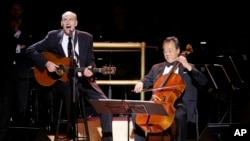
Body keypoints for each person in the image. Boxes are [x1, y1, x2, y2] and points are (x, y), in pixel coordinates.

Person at [25, 11, 113, 141]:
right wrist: (46, 63)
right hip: (63, 82)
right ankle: (70, 133)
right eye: (65, 20)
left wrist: (91, 69)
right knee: (72, 94)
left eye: (71, 20)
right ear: (61, 23)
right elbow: (30, 50)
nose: (68, 22)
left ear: (76, 23)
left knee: (106, 105)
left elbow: (90, 61)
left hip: (84, 81)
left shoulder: (86, 38)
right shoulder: (53, 36)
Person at [132, 36, 208, 141]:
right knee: (136, 113)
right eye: (165, 51)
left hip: (179, 103)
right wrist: (141, 82)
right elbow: (147, 80)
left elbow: (203, 82)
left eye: (170, 51)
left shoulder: (187, 67)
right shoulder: (156, 67)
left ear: (178, 50)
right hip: (157, 102)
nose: (167, 54)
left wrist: (188, 66)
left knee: (180, 115)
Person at [0, 2, 34, 140]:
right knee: (5, 108)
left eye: (18, 9)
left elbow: (32, 45)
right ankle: (2, 136)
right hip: (7, 73)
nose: (15, 12)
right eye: (13, 9)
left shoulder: (29, 26)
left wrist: (20, 45)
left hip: (24, 73)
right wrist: (19, 44)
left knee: (23, 108)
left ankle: (22, 137)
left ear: (22, 11)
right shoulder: (5, 26)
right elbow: (4, 45)